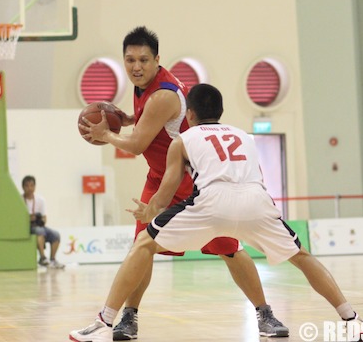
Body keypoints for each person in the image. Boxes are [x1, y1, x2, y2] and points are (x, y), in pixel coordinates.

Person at [70, 84, 363, 342]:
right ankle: (351, 320)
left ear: (189, 115)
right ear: (220, 111)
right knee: (301, 256)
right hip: (256, 202)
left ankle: (104, 322)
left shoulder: (183, 140)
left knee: (144, 245)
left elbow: (165, 191)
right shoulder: (245, 137)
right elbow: (257, 176)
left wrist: (149, 212)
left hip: (211, 204)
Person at [78, 26, 287, 339]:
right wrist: (129, 118)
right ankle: (129, 317)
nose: (136, 66)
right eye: (130, 60)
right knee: (142, 247)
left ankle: (264, 313)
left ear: (157, 60)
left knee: (228, 249)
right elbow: (152, 121)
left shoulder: (163, 94)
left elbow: (136, 146)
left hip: (188, 178)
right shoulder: (144, 89)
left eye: (143, 60)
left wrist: (105, 134)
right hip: (158, 176)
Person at [21, 175, 65, 269]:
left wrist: (39, 219)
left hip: (39, 225)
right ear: (23, 187)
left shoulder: (40, 200)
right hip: (26, 226)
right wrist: (29, 218)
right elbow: (18, 218)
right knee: (39, 232)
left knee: (55, 234)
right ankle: (42, 257)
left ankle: (53, 259)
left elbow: (44, 218)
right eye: (27, 186)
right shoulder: (20, 200)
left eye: (32, 185)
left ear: (35, 186)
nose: (30, 188)